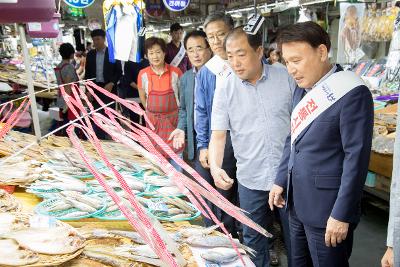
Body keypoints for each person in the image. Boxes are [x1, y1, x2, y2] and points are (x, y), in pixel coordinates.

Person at [268, 21, 374, 267]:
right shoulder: (301, 88)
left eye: (297, 60)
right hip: (295, 202)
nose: (291, 69)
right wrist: (280, 180)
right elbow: (292, 138)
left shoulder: (351, 92)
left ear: (322, 52)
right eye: (286, 62)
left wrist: (341, 214)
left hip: (328, 211)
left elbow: (356, 159)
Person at [208, 27, 294, 267]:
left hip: (288, 178)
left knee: (295, 240)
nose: (234, 62)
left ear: (259, 51)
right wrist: (215, 168)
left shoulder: (285, 77)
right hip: (250, 179)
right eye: (230, 55)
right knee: (253, 242)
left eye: (241, 54)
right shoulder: (225, 86)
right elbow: (218, 136)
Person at [194, 11, 240, 238]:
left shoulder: (246, 62)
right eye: (210, 37)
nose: (216, 41)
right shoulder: (207, 71)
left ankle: (260, 241)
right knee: (223, 192)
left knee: (251, 195)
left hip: (250, 140)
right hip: (221, 142)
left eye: (221, 34)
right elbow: (201, 111)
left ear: (232, 31)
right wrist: (204, 145)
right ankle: (227, 239)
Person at [137, 37, 183, 169]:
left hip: (173, 123)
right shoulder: (143, 74)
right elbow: (143, 99)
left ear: (164, 53)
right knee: (157, 164)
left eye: (158, 52)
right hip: (154, 124)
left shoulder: (176, 72)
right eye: (151, 53)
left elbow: (181, 97)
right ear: (146, 56)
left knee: (176, 161)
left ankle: (178, 187)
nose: (155, 56)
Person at [168, 30, 212, 165]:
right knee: (199, 183)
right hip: (195, 142)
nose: (195, 54)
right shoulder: (186, 77)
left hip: (217, 141)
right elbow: (184, 109)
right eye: (191, 50)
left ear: (209, 49)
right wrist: (181, 127)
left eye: (199, 49)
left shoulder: (218, 75)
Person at [85, 29, 122, 139]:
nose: (96, 42)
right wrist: (88, 90)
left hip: (108, 88)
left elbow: (119, 71)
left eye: (98, 39)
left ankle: (111, 136)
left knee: (109, 113)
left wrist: (112, 83)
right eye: (94, 40)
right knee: (96, 114)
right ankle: (99, 138)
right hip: (95, 88)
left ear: (104, 39)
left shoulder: (112, 53)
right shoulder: (90, 54)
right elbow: (87, 73)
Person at [53, 43, 80, 136]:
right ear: (71, 54)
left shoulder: (59, 66)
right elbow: (68, 86)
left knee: (64, 122)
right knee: (71, 124)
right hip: (69, 99)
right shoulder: (69, 67)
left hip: (61, 97)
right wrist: (67, 103)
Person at [118, 59, 149, 124]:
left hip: (146, 94)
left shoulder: (147, 62)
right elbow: (128, 79)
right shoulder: (128, 62)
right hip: (133, 95)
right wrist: (141, 89)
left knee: (146, 119)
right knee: (134, 120)